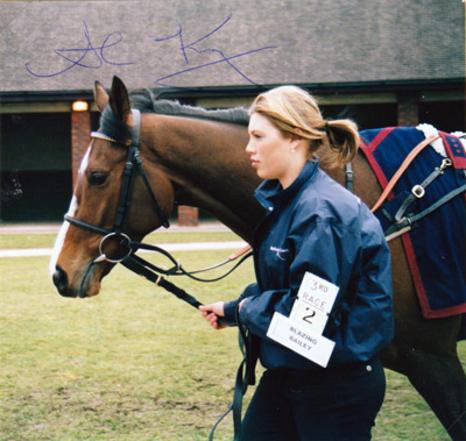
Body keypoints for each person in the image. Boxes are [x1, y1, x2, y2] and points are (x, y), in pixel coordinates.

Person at [200, 85, 394, 441]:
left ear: (293, 138)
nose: (249, 148)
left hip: (336, 386)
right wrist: (232, 310)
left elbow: (308, 319)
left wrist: (244, 309)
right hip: (294, 372)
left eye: (258, 136)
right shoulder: (292, 203)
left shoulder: (321, 214)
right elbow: (290, 288)